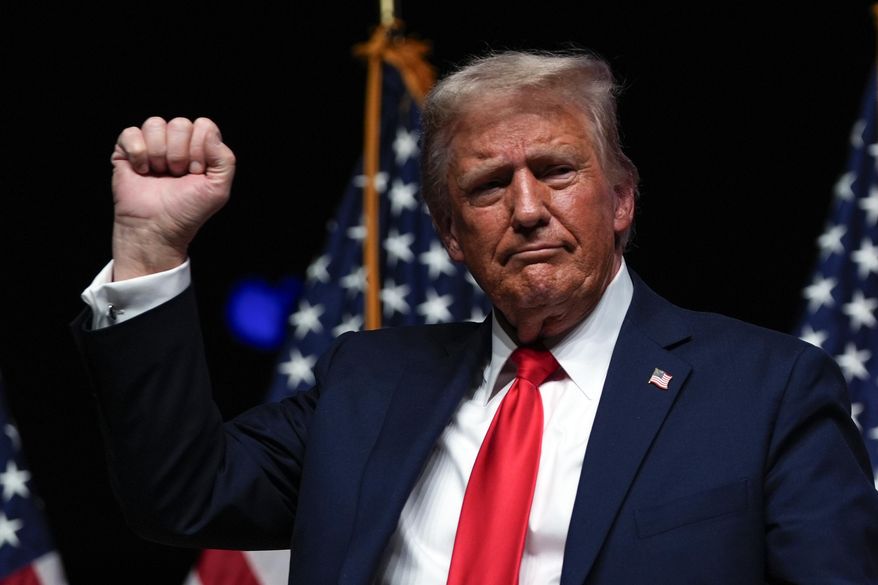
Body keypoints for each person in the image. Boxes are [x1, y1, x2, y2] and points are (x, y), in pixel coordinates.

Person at [72, 49, 878, 584]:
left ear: (623, 197)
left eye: (557, 171)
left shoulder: (768, 392)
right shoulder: (368, 382)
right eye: (489, 186)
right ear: (452, 233)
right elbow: (179, 495)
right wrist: (149, 244)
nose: (526, 209)